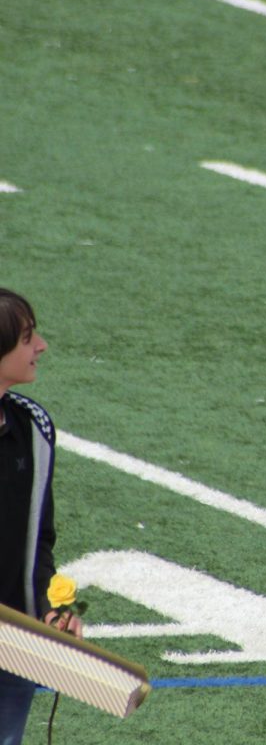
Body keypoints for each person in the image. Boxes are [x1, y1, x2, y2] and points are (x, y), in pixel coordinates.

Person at [0, 289, 82, 745]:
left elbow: (38, 537)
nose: (41, 346)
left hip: (15, 641)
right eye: (27, 337)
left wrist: (51, 608)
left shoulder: (33, 429)